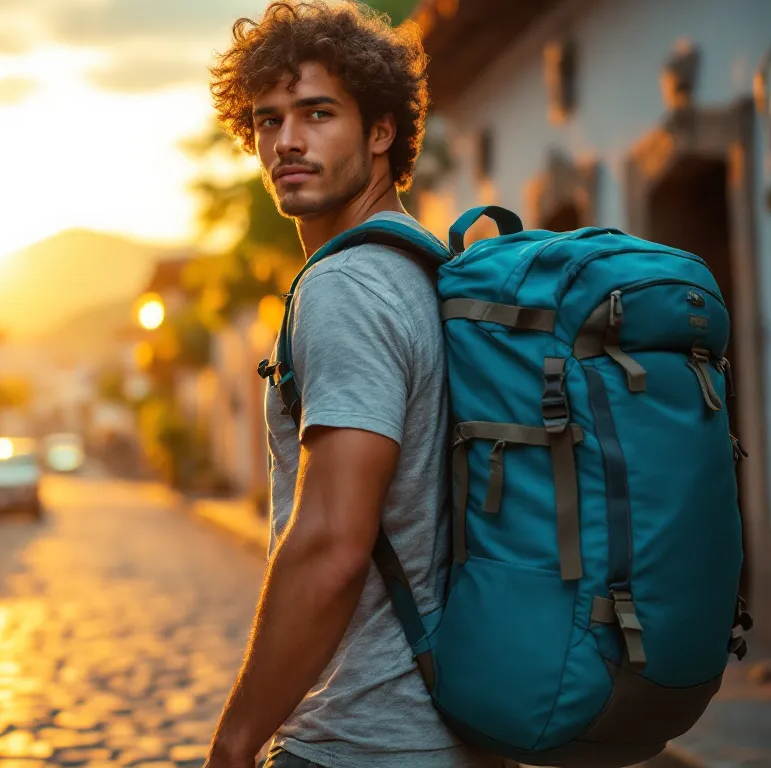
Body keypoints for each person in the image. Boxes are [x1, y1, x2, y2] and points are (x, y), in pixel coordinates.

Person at [202, 4, 498, 768]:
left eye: (317, 113)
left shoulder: (345, 290)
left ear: (381, 132)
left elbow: (332, 542)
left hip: (365, 738)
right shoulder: (427, 270)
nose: (286, 142)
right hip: (461, 727)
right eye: (267, 121)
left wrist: (235, 742)